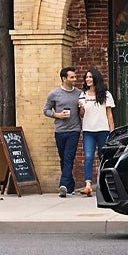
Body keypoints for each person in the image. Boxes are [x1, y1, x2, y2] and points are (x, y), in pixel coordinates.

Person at [43, 67, 81, 197]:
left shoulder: (79, 94)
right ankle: (70, 186)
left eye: (75, 77)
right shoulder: (54, 94)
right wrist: (57, 115)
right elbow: (46, 110)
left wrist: (82, 108)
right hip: (59, 131)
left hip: (74, 130)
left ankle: (63, 185)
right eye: (72, 77)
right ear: (64, 79)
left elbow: (82, 113)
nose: (75, 79)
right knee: (63, 159)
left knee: (68, 158)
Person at [78, 68, 115, 197]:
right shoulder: (83, 94)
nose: (87, 79)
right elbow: (82, 115)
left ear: (96, 78)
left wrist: (112, 131)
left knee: (103, 157)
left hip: (103, 130)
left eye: (90, 77)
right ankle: (88, 185)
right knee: (88, 157)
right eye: (86, 77)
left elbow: (109, 114)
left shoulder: (106, 94)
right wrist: (81, 108)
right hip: (88, 130)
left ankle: (104, 184)